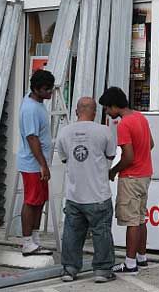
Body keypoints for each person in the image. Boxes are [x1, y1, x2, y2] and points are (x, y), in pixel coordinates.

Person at [56, 97, 118, 283]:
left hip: (75, 194)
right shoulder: (104, 131)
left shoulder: (64, 132)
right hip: (98, 193)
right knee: (102, 233)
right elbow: (111, 155)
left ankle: (69, 268)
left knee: (72, 233)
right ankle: (102, 270)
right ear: (95, 112)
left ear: (76, 111)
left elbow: (65, 158)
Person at [99, 87, 154, 275]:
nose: (107, 112)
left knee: (131, 221)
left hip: (131, 177)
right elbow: (151, 144)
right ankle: (141, 257)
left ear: (115, 105)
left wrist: (114, 170)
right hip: (145, 175)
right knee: (140, 219)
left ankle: (130, 264)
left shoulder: (124, 125)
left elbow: (128, 156)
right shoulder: (140, 117)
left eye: (107, 108)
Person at [17, 69, 55, 256]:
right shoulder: (30, 109)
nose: (50, 93)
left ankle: (34, 238)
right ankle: (26, 242)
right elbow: (32, 138)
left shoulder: (37, 102)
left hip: (38, 163)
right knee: (31, 201)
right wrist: (43, 164)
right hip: (33, 164)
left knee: (40, 201)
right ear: (37, 89)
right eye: (47, 89)